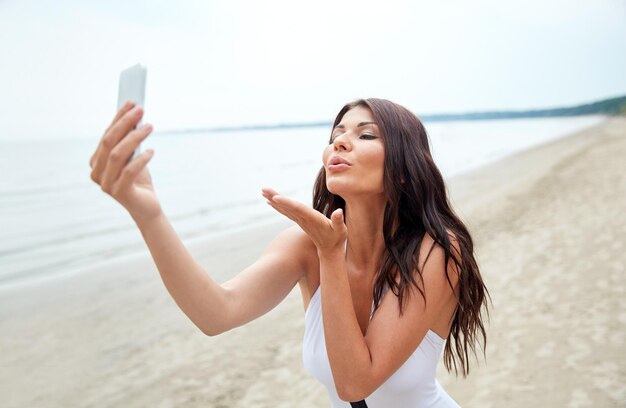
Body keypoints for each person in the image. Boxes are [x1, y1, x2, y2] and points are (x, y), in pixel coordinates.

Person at [89, 98, 489, 407]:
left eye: (366, 135)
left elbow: (355, 383)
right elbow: (216, 313)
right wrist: (150, 214)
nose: (341, 141)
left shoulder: (435, 251)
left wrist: (331, 256)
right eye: (336, 135)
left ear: (402, 169)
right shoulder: (306, 245)